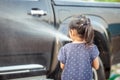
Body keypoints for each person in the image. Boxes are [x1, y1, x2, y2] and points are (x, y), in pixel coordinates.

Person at [57, 15, 99, 80]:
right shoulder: (91, 48)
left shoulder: (65, 48)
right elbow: (96, 66)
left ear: (72, 31)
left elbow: (62, 66)